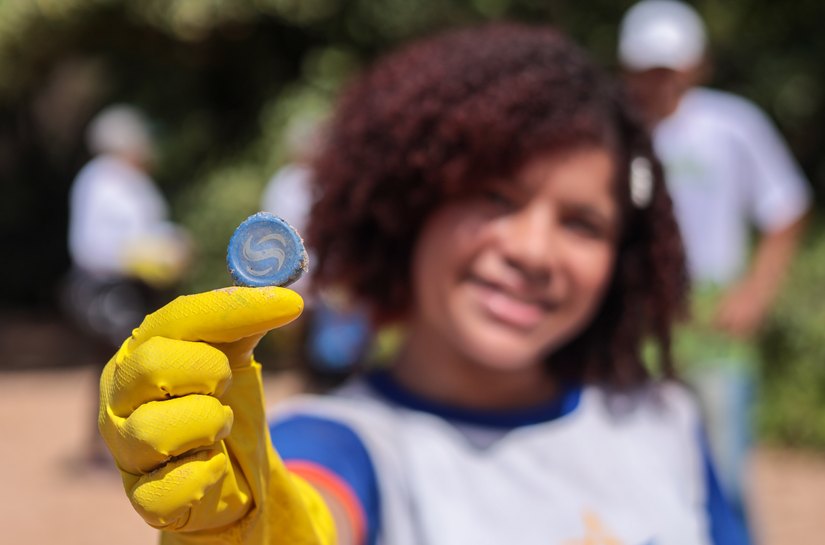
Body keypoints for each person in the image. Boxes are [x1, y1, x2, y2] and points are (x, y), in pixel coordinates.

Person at [98, 24, 750, 545]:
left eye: (581, 222)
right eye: (494, 197)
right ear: (411, 207)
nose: (530, 250)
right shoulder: (341, 443)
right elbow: (308, 499)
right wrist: (258, 530)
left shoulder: (665, 421)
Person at [618, 0, 812, 524]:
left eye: (668, 69)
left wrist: (756, 292)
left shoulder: (731, 125)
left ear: (694, 66)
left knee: (723, 466)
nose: (658, 82)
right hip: (636, 317)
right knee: (634, 464)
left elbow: (786, 205)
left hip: (712, 315)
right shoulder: (616, 132)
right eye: (646, 69)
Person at [64, 104, 190, 465]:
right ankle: (108, 444)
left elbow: (149, 230)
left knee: (124, 366)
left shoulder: (134, 182)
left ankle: (119, 441)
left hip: (133, 288)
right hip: (104, 289)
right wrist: (142, 255)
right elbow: (91, 245)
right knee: (119, 365)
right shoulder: (99, 179)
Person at [261, 119, 372, 382]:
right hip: (297, 272)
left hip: (330, 272)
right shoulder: (287, 182)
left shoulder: (334, 180)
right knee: (298, 331)